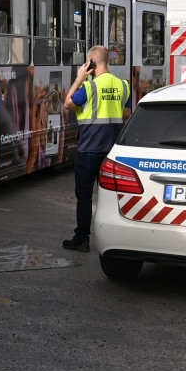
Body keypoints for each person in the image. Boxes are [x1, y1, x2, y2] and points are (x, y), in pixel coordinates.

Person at [62, 45, 130, 252]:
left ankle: (82, 239)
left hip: (89, 150)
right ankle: (117, 240)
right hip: (112, 152)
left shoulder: (89, 87)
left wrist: (79, 78)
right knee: (112, 196)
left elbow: (67, 103)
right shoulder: (123, 86)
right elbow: (126, 116)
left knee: (84, 196)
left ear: (90, 62)